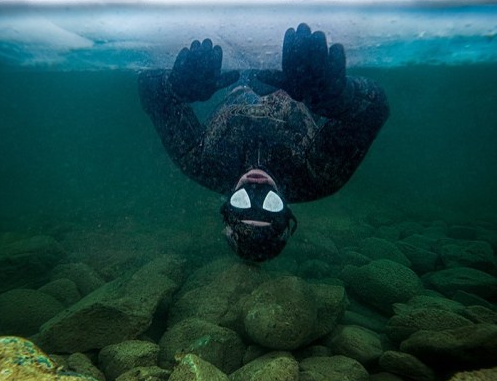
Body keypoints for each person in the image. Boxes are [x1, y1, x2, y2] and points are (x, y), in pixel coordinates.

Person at [138, 23, 389, 262]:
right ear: (286, 211)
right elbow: (374, 111)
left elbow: (149, 89)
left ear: (227, 207)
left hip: (233, 62)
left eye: (241, 203)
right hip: (295, 69)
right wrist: (339, 97)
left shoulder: (201, 162)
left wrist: (174, 87)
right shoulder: (316, 176)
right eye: (271, 204)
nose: (255, 190)